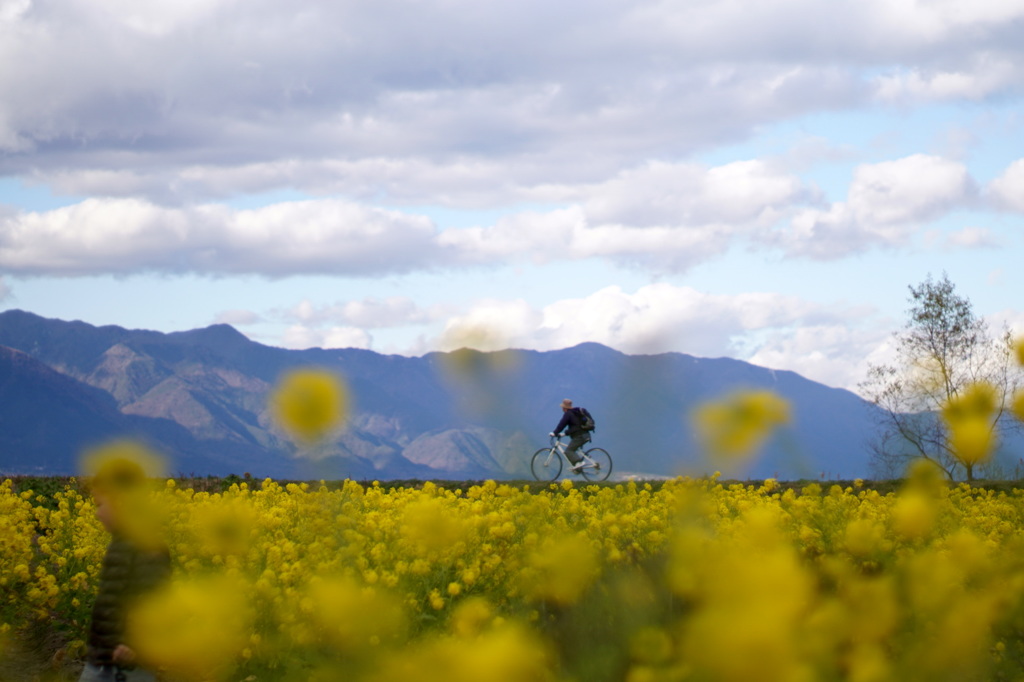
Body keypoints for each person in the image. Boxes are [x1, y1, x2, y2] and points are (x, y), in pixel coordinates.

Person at [79, 480, 171, 681]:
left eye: (100, 505)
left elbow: (154, 599)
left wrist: (133, 644)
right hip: (104, 657)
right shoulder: (122, 543)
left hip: (129, 664)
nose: (97, 513)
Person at [550, 398, 590, 473]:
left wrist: (554, 433)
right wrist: (565, 433)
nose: (562, 408)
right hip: (585, 435)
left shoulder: (568, 414)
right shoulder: (575, 413)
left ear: (564, 408)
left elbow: (561, 425)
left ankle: (579, 463)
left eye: (562, 407)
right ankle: (578, 469)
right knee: (573, 449)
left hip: (580, 436)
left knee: (569, 451)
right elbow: (575, 426)